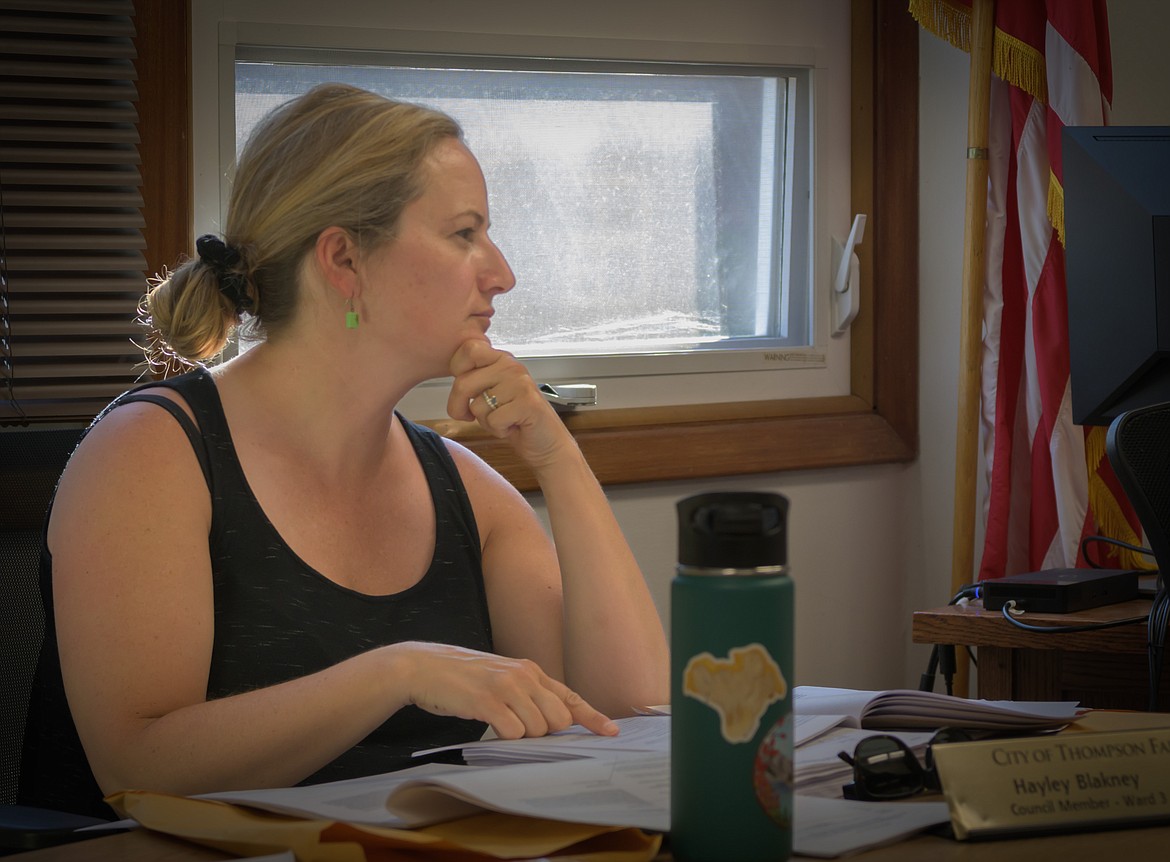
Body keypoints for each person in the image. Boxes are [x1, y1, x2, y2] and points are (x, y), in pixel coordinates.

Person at [18, 83, 669, 819]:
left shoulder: (462, 487)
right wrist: (395, 673)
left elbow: (632, 714)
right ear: (343, 258)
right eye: (464, 234)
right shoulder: (150, 453)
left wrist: (557, 460)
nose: (502, 274)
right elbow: (134, 769)